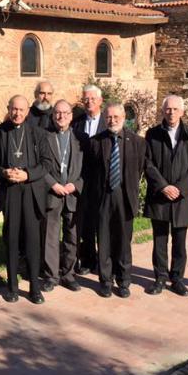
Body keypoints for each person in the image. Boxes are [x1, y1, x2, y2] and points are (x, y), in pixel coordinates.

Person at [0, 95, 53, 304]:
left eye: (21, 110)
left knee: (33, 242)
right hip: (10, 192)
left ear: (27, 111)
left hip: (31, 192)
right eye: (14, 109)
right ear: (8, 109)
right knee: (12, 241)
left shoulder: (38, 133)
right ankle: (12, 287)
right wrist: (3, 173)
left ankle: (34, 287)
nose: (17, 113)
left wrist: (27, 174)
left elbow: (47, 163)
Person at [143, 95, 188, 296]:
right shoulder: (152, 135)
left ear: (182, 112)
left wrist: (179, 188)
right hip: (160, 196)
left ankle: (177, 279)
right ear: (163, 111)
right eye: (168, 109)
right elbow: (148, 163)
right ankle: (160, 278)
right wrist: (163, 186)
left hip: (182, 197)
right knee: (159, 241)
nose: (171, 113)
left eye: (175, 109)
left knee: (180, 241)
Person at [88, 102, 146, 298]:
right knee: (103, 240)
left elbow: (138, 169)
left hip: (124, 196)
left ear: (124, 118)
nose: (112, 121)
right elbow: (91, 172)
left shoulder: (137, 142)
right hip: (103, 197)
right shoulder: (96, 142)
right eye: (109, 117)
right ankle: (105, 280)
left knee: (123, 241)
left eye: (116, 117)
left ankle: (123, 280)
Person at [42, 100, 83, 292]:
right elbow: (40, 166)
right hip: (52, 193)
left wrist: (75, 185)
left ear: (71, 116)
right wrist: (53, 184)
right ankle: (51, 276)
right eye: (58, 113)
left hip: (73, 195)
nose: (61, 116)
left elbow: (88, 169)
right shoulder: (44, 137)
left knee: (72, 237)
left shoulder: (81, 138)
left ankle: (68, 274)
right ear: (53, 115)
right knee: (50, 237)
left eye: (65, 113)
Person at [71, 84, 106, 275]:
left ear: (100, 101)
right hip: (82, 179)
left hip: (102, 180)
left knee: (102, 222)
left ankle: (104, 261)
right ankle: (88, 258)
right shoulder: (76, 123)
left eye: (93, 98)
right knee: (85, 222)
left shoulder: (108, 122)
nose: (89, 102)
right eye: (86, 99)